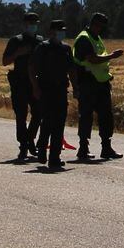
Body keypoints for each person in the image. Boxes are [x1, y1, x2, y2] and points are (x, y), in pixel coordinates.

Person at [72, 12, 124, 160]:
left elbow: (100, 62)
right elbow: (92, 59)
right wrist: (112, 56)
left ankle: (106, 147)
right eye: (100, 25)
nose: (101, 28)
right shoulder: (84, 38)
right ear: (94, 23)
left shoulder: (96, 38)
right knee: (86, 116)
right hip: (87, 82)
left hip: (101, 83)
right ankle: (83, 148)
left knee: (106, 116)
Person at [29, 20, 79, 171]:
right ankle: (42, 149)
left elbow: (71, 69)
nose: (61, 33)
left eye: (63, 30)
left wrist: (76, 87)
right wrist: (35, 87)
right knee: (48, 122)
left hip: (60, 91)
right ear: (51, 32)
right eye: (59, 30)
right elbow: (32, 68)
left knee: (59, 124)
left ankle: (54, 158)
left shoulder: (66, 49)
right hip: (46, 90)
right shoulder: (43, 47)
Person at [2, 11, 44, 161]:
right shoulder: (16, 41)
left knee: (38, 113)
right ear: (24, 24)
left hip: (36, 83)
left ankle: (29, 139)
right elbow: (5, 61)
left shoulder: (40, 41)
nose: (33, 26)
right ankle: (23, 146)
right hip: (20, 82)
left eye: (35, 24)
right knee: (21, 115)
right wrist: (18, 53)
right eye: (30, 24)